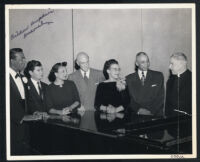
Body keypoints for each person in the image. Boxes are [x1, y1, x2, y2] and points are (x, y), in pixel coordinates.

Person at [126, 52, 164, 116]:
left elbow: (160, 97)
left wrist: (151, 112)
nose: (146, 64)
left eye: (147, 61)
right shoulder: (129, 78)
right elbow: (129, 99)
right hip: (136, 115)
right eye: (143, 62)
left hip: (154, 114)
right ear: (137, 63)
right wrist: (138, 110)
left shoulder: (158, 76)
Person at [9, 48, 30, 155]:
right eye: (21, 59)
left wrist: (31, 113)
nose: (24, 61)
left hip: (23, 127)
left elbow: (24, 101)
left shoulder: (22, 77)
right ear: (12, 61)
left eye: (24, 58)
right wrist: (20, 117)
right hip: (11, 126)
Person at [165, 52, 192, 117]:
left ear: (181, 64)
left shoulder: (194, 79)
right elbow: (167, 104)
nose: (169, 67)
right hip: (171, 120)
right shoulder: (170, 81)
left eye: (172, 64)